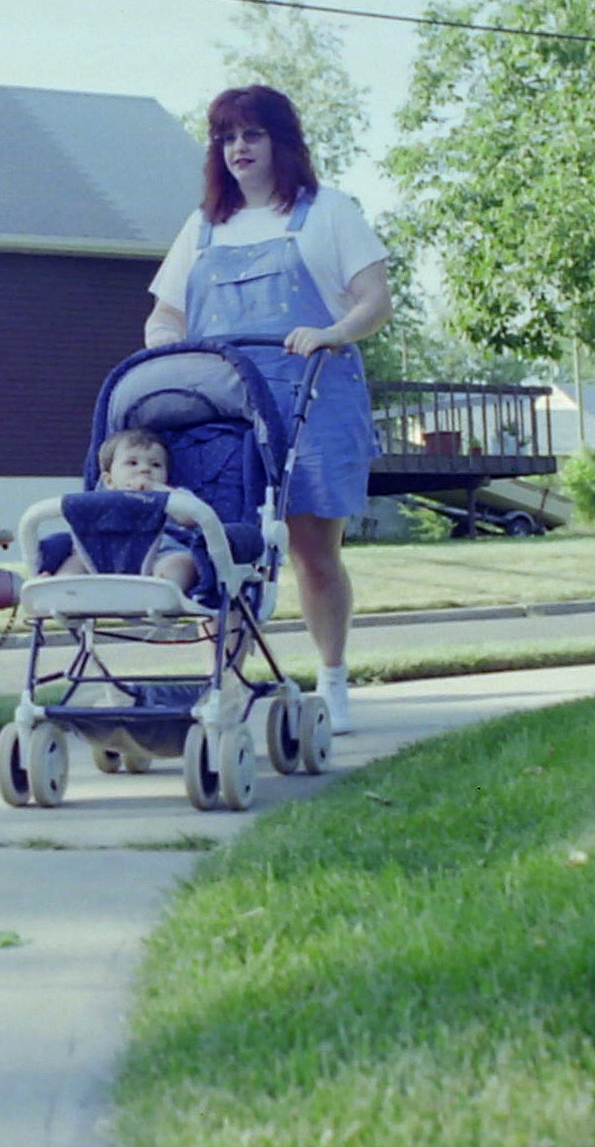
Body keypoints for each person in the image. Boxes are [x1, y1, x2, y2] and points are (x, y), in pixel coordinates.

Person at [143, 85, 393, 733]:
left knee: (313, 552)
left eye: (251, 134)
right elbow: (165, 314)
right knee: (223, 549)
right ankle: (225, 683)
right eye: (226, 138)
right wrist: (165, 349)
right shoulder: (204, 227)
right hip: (225, 415)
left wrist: (333, 332)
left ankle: (331, 679)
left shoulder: (329, 212)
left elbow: (374, 299)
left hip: (311, 403)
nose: (238, 148)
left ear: (281, 142)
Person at [48, 427, 202, 591]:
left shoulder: (173, 496)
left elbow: (195, 516)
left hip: (161, 552)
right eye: (132, 463)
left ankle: (162, 589)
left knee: (183, 561)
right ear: (109, 481)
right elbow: (82, 533)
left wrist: (158, 490)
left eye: (156, 465)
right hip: (104, 557)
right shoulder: (99, 501)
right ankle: (59, 588)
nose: (145, 470)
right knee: (77, 559)